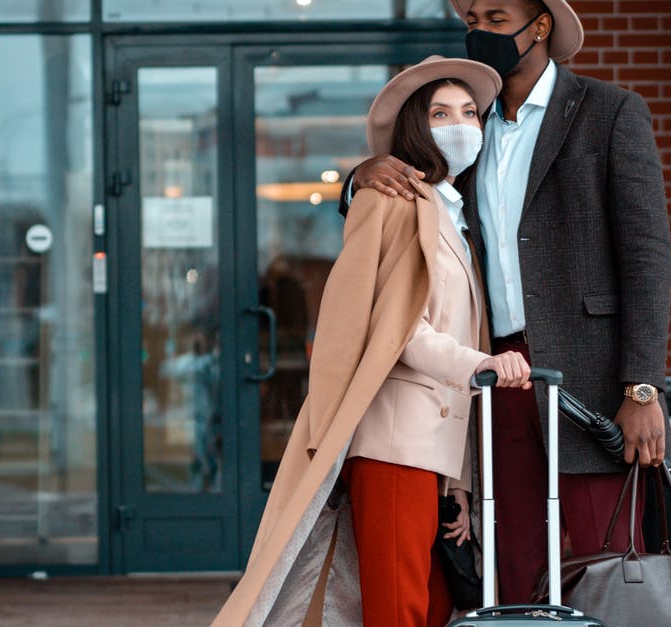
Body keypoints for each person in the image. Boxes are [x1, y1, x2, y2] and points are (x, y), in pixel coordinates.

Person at [339, 0, 671, 604]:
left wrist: (642, 386)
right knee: (512, 543)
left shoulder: (608, 112)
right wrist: (360, 175)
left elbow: (647, 258)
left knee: (606, 552)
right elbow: (414, 194)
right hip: (497, 371)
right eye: (471, 22)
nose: (479, 32)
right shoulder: (469, 128)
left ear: (540, 26)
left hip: (592, 375)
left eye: (496, 19)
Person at [214, 56, 530, 627]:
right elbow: (398, 331)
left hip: (435, 449)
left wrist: (459, 478)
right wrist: (484, 363)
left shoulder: (462, 216)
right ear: (415, 126)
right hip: (391, 441)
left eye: (468, 113)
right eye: (440, 113)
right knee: (396, 608)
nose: (460, 125)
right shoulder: (388, 198)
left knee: (433, 605)